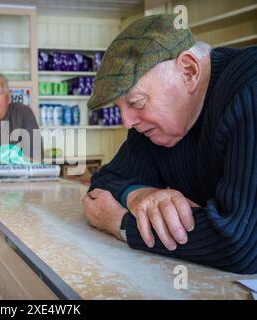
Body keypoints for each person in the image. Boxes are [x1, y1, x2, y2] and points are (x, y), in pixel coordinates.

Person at [83, 14, 256, 274]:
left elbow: (241, 244)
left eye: (136, 101)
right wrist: (139, 195)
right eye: (119, 108)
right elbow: (104, 183)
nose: (127, 122)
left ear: (188, 71)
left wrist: (121, 222)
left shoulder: (249, 86)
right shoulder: (153, 127)